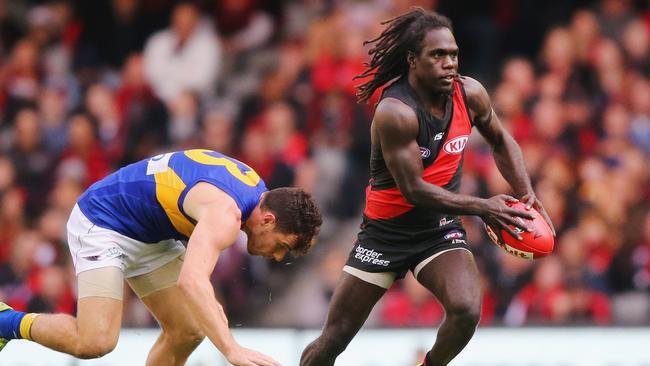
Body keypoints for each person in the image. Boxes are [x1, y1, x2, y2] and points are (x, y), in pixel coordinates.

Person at [300, 8, 554, 366]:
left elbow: (501, 140)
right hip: (383, 236)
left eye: (453, 54)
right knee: (334, 338)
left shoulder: (471, 94)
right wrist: (484, 207)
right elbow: (414, 190)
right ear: (412, 60)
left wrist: (526, 192)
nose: (449, 62)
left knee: (466, 310)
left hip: (437, 230)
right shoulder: (395, 111)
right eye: (438, 55)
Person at [0, 148, 322, 366]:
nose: (279, 257)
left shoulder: (254, 188)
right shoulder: (226, 214)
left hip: (150, 233)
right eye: (283, 245)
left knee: (189, 328)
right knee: (95, 341)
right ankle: (5, 322)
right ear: (269, 221)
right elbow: (192, 282)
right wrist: (231, 350)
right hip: (103, 221)